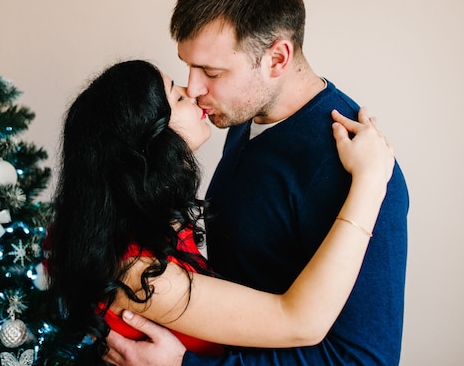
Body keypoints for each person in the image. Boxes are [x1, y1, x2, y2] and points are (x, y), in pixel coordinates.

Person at [104, 0, 409, 366]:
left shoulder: (354, 170)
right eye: (188, 68)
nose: (193, 88)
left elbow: (364, 360)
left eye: (211, 72)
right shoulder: (243, 120)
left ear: (277, 59)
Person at [46, 59, 395, 365]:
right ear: (147, 145)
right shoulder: (138, 275)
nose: (194, 91)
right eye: (178, 96)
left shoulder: (142, 221)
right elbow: (300, 322)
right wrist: (371, 181)